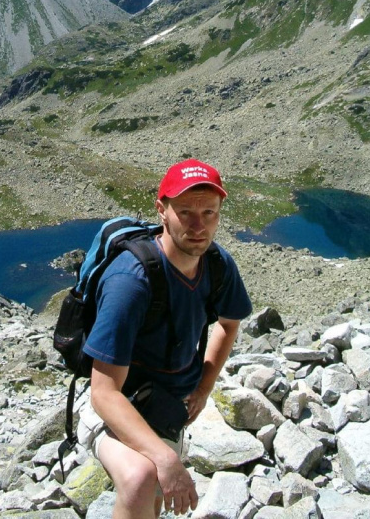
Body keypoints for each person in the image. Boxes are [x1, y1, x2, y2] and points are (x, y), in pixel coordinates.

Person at [76, 159, 252, 519]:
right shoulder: (132, 281)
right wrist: (166, 458)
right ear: (162, 210)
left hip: (167, 405)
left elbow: (229, 324)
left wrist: (204, 388)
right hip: (114, 403)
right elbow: (103, 392)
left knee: (154, 494)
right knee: (143, 476)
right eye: (185, 211)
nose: (198, 225)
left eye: (209, 212)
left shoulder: (217, 264)